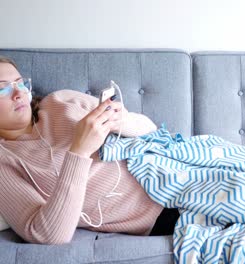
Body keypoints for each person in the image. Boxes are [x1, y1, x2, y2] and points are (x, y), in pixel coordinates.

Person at [0, 56, 179, 244]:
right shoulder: (5, 160)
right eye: (2, 89)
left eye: (20, 84)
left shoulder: (61, 101)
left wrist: (120, 121)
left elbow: (151, 130)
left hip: (174, 171)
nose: (18, 94)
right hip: (160, 213)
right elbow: (47, 235)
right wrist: (79, 152)